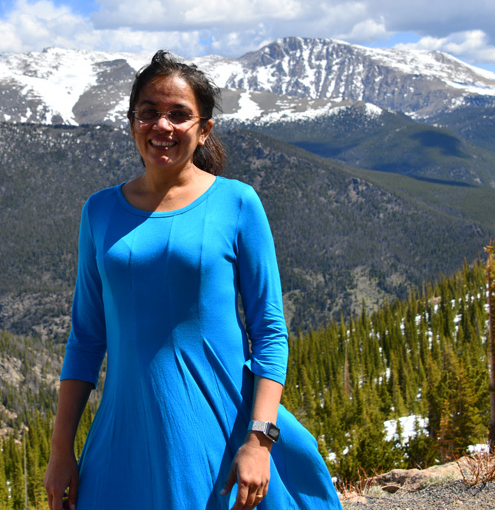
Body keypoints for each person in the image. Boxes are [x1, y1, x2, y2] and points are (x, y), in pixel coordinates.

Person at [43, 51, 341, 510]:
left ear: (203, 129)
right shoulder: (99, 212)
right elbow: (85, 339)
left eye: (179, 114)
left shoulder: (238, 203)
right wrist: (61, 452)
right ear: (131, 123)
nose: (162, 125)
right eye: (149, 113)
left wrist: (259, 441)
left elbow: (270, 332)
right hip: (125, 436)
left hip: (220, 430)